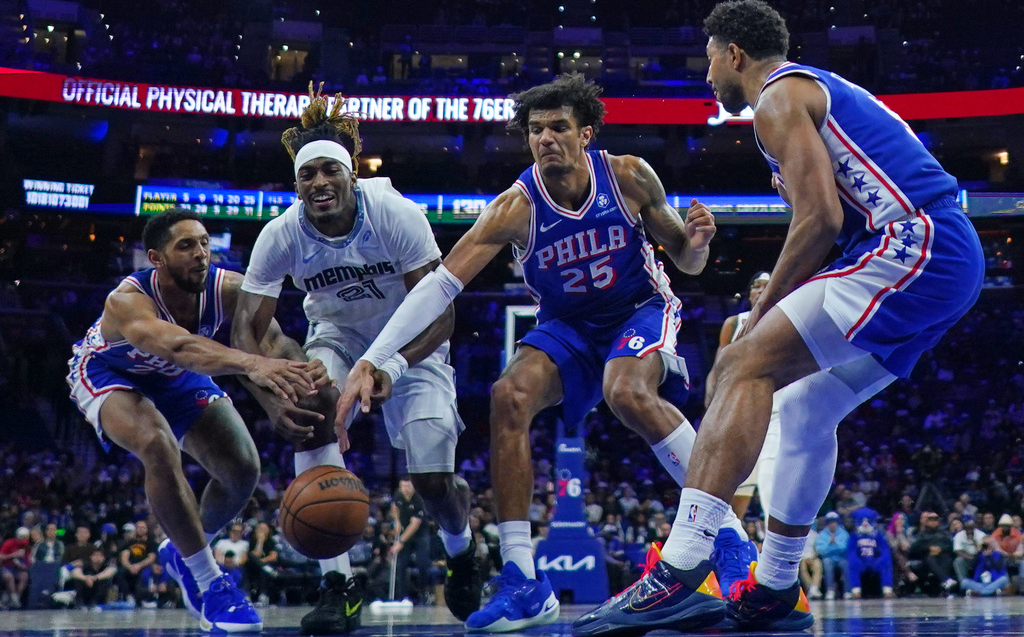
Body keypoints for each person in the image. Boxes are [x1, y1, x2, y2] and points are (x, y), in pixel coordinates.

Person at [569, 0, 983, 634]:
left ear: (734, 54)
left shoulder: (778, 97)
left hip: (914, 243)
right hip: (945, 257)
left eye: (709, 60)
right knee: (806, 407)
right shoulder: (811, 93)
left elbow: (821, 219)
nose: (707, 77)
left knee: (741, 361)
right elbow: (837, 199)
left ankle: (678, 568)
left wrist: (765, 307)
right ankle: (775, 586)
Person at [339, 72, 757, 633]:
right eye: (536, 130)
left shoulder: (629, 176)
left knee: (626, 389)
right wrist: (378, 359)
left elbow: (685, 261)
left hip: (638, 309)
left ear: (586, 133)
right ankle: (522, 579)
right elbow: (440, 286)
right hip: (567, 325)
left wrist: (697, 244)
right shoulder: (513, 207)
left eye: (559, 126)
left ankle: (725, 533)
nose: (546, 138)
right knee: (507, 395)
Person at [231, 83, 479, 633]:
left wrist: (390, 365)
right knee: (308, 400)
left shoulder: (396, 214)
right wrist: (271, 397)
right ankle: (337, 585)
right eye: (306, 175)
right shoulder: (280, 235)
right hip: (338, 337)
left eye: (329, 171)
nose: (318, 182)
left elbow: (441, 314)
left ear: (351, 175)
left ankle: (464, 553)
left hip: (411, 344)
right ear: (296, 184)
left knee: (435, 484)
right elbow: (246, 328)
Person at [67, 207, 324, 632]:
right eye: (185, 246)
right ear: (156, 258)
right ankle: (209, 583)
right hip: (111, 373)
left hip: (175, 377)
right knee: (156, 442)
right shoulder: (127, 300)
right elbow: (181, 348)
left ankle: (183, 549)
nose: (200, 253)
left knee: (243, 469)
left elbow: (274, 342)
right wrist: (252, 365)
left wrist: (297, 389)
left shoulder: (230, 288)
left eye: (204, 243)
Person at [718, 271, 779, 518]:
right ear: (749, 292)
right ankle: (734, 551)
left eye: (767, 285)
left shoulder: (787, 320)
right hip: (740, 415)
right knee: (734, 499)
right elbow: (718, 370)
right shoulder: (734, 323)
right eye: (756, 286)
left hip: (774, 413)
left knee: (769, 486)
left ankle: (778, 553)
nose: (761, 290)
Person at [390, 476, 432, 603]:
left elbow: (415, 524)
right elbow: (394, 507)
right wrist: (397, 522)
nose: (405, 489)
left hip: (420, 533)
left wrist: (400, 542)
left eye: (408, 486)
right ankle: (401, 596)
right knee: (401, 564)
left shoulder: (419, 499)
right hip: (404, 530)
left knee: (422, 563)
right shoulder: (399, 495)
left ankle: (423, 593)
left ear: (413, 486)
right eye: (403, 486)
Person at [845, 508, 894, 598]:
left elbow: (884, 549)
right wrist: (855, 559)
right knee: (853, 565)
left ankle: (887, 589)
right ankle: (856, 590)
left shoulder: (877, 535)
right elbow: (851, 551)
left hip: (875, 560)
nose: (865, 523)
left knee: (886, 564)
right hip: (861, 561)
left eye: (868, 521)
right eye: (862, 521)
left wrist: (882, 559)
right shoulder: (854, 535)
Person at [908, 512, 957, 596]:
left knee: (946, 559)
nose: (933, 522)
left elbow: (950, 546)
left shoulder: (944, 533)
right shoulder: (921, 535)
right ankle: (946, 580)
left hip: (943, 556)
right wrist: (929, 548)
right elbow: (913, 549)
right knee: (930, 558)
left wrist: (940, 549)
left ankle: (944, 585)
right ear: (927, 522)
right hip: (927, 558)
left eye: (935, 520)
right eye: (931, 520)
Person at [815, 512, 849, 600]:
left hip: (841, 558)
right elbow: (821, 551)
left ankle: (847, 591)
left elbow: (845, 548)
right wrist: (830, 544)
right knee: (826, 563)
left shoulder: (843, 533)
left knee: (846, 564)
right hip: (828, 558)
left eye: (834, 522)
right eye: (830, 522)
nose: (832, 524)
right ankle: (830, 590)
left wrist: (835, 544)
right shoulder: (822, 535)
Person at [0, 527, 30, 609]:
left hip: (18, 569)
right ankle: (14, 599)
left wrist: (23, 566)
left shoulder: (26, 545)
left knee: (24, 576)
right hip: (6, 567)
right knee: (9, 577)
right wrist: (13, 555)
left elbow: (28, 562)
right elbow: (1, 557)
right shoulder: (9, 543)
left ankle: (16, 598)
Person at [952, 516, 986, 585]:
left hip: (979, 556)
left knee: (984, 558)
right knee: (958, 561)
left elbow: (981, 549)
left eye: (971, 527)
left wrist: (973, 541)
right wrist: (968, 557)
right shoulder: (959, 535)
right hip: (965, 557)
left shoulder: (981, 534)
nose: (969, 530)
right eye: (967, 528)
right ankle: (964, 583)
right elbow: (957, 551)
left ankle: (983, 582)